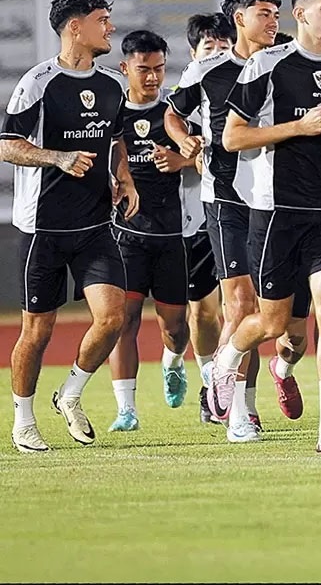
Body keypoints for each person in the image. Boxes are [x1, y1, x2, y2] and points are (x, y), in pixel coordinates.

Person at [211, 0, 321, 454]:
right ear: (301, 14)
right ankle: (226, 359)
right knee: (273, 324)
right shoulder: (268, 63)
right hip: (276, 211)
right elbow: (233, 137)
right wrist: (298, 126)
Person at [3, 0, 139, 452]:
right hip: (42, 230)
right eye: (103, 20)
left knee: (113, 318)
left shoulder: (113, 85)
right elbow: (7, 144)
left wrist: (125, 179)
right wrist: (56, 157)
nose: (111, 28)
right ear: (75, 27)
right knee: (37, 332)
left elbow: (116, 139)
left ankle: (71, 394)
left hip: (95, 228)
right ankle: (23, 420)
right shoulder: (38, 83)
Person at [166, 0, 281, 444]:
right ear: (239, 19)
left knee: (279, 318)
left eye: (276, 13)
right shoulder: (209, 69)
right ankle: (240, 411)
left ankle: (225, 376)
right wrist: (182, 139)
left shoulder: (284, 63)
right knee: (240, 304)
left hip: (275, 198)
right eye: (263, 13)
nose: (273, 21)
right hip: (226, 199)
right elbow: (173, 112)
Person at [106, 30, 194, 432]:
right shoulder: (111, 115)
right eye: (144, 69)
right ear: (125, 68)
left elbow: (207, 156)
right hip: (126, 237)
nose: (153, 77)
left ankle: (173, 362)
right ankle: (126, 410)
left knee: (175, 329)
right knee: (123, 321)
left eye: (159, 68)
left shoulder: (175, 115)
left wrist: (181, 161)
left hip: (171, 236)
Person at [181, 13, 233, 424]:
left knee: (240, 308)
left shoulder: (243, 85)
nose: (216, 54)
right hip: (194, 220)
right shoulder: (185, 95)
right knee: (201, 312)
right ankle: (208, 382)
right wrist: (185, 149)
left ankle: (234, 398)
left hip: (238, 208)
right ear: (193, 54)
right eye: (208, 48)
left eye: (222, 46)